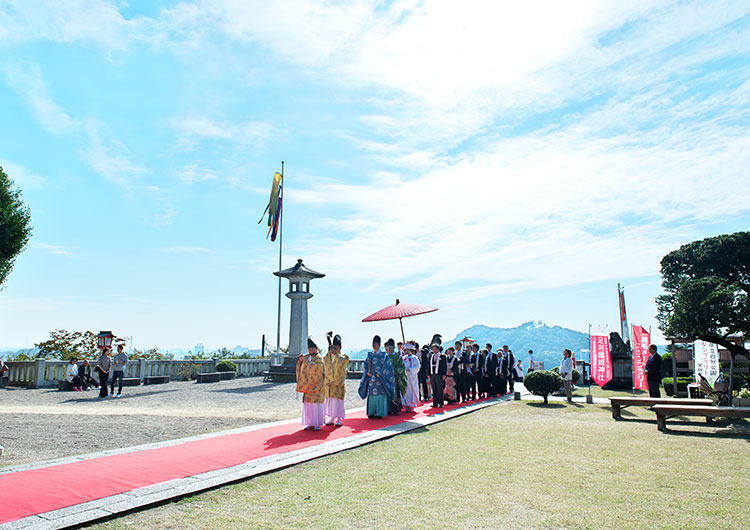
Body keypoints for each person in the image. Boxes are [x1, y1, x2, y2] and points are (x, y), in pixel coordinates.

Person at [358, 335, 396, 418]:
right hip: (371, 379)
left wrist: (381, 373)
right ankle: (371, 412)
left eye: (375, 344)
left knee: (380, 395)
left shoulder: (384, 355)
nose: (374, 345)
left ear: (379, 345)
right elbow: (365, 365)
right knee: (371, 396)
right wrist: (367, 371)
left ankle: (379, 413)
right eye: (373, 343)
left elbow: (387, 366)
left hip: (380, 379)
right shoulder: (370, 355)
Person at [296, 337, 326, 430]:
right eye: (309, 348)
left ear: (316, 348)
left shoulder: (320, 358)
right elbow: (301, 367)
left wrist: (307, 362)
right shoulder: (306, 357)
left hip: (318, 385)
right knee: (308, 405)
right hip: (308, 385)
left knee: (316, 405)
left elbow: (317, 368)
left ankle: (317, 423)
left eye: (312, 348)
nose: (311, 350)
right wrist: (301, 361)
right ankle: (310, 422)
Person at [323, 332, 349, 426]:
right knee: (331, 401)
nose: (335, 349)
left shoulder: (344, 357)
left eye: (336, 347)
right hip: (330, 383)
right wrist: (330, 352)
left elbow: (342, 363)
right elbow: (324, 362)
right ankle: (332, 417)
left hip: (338, 384)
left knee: (338, 402)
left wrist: (336, 355)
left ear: (340, 347)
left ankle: (338, 418)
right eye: (334, 347)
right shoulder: (328, 357)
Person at [385, 338, 407, 415]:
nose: (389, 349)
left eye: (390, 347)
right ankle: (387, 409)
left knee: (395, 394)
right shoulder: (385, 357)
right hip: (387, 379)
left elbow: (402, 367)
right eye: (388, 347)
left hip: (395, 378)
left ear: (393, 347)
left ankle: (395, 409)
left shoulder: (398, 357)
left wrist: (395, 371)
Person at [402, 342, 421, 411]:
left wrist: (410, 369)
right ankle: (406, 404)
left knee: (412, 391)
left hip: (412, 377)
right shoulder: (403, 358)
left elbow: (417, 367)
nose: (405, 351)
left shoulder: (415, 358)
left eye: (407, 349)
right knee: (406, 391)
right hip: (406, 377)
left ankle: (412, 404)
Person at [429, 342, 447, 407]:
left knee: (440, 389)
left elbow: (444, 366)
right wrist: (429, 374)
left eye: (435, 349)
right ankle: (435, 403)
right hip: (432, 374)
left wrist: (444, 374)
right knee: (434, 389)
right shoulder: (431, 356)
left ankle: (441, 403)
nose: (434, 350)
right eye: (433, 349)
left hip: (439, 374)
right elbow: (428, 365)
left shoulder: (442, 356)